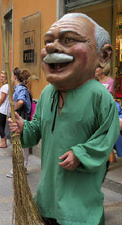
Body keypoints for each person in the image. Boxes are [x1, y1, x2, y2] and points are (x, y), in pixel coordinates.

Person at [8, 13, 119, 225]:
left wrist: (80, 153)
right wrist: (24, 128)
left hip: (80, 206)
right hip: (47, 198)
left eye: (68, 40)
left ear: (103, 56)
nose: (52, 48)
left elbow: (107, 137)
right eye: (48, 41)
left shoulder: (100, 96)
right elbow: (39, 128)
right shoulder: (48, 93)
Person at [0, 71, 10, 148]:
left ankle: (3, 141)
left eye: (3, 77)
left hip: (3, 108)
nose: (1, 78)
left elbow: (2, 98)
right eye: (1, 77)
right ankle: (3, 141)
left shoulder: (5, 86)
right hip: (4, 108)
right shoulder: (6, 86)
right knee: (1, 124)